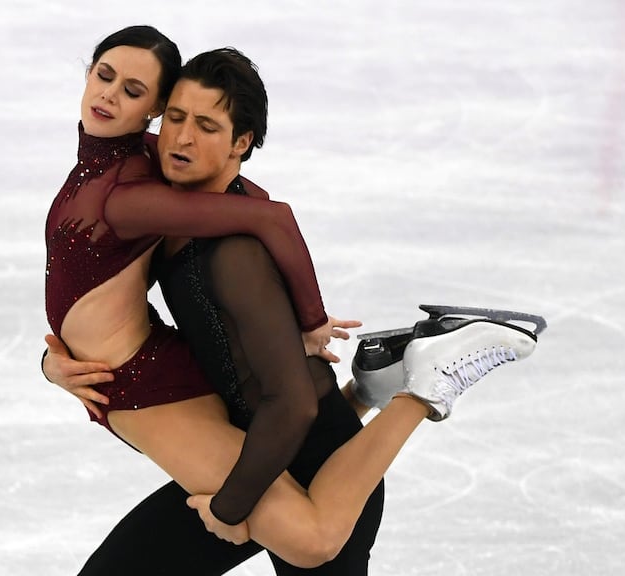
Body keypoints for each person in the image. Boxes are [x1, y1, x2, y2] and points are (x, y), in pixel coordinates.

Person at [44, 26, 540, 568]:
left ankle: (423, 386)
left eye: (206, 126)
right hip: (255, 448)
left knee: (313, 544)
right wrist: (58, 360)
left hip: (312, 468)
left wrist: (231, 510)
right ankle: (372, 387)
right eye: (177, 120)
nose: (181, 139)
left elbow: (294, 405)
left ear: (241, 144)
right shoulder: (164, 196)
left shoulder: (233, 255)